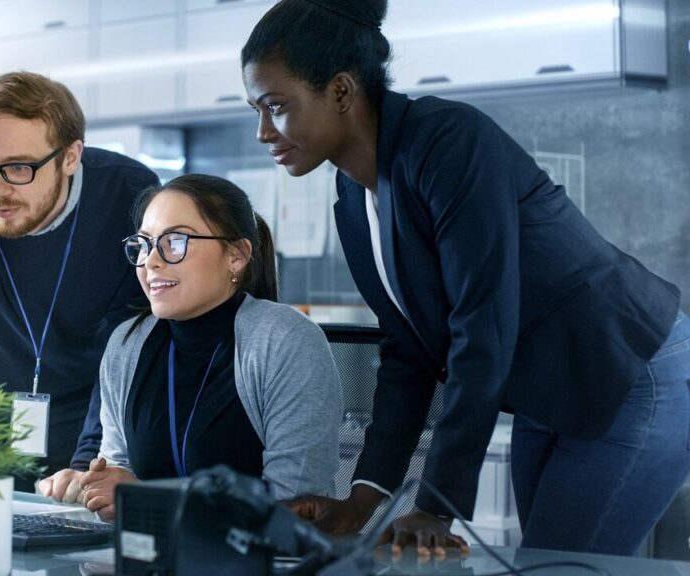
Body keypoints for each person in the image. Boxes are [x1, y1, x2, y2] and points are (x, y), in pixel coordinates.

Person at [241, 0, 690, 558]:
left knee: (561, 566)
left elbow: (482, 326)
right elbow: (407, 352)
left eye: (275, 107)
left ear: (339, 92)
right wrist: (363, 500)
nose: (263, 131)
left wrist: (436, 504)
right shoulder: (353, 199)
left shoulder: (449, 143)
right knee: (545, 563)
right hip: (545, 390)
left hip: (628, 370)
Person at [0, 71, 159, 490]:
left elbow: (127, 342)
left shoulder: (127, 196)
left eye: (19, 167)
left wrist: (91, 459)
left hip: (75, 429)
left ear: (71, 156)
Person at [76, 174, 342, 522]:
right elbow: (116, 478)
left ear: (236, 255)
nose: (152, 262)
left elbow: (295, 504)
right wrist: (102, 490)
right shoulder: (127, 344)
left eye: (175, 242)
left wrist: (147, 499)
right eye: (144, 244)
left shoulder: (285, 340)